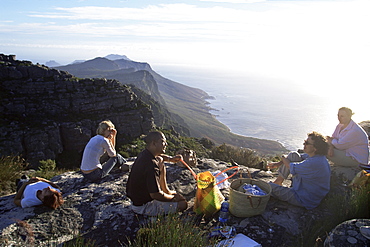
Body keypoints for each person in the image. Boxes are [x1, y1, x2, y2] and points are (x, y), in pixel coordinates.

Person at [126, 131, 188, 216]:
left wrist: (171, 159)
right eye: (163, 141)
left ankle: (166, 190)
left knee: (160, 161)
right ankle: (166, 193)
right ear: (154, 143)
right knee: (183, 204)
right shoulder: (151, 165)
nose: (166, 144)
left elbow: (160, 157)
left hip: (137, 200)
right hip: (144, 206)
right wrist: (173, 199)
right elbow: (155, 195)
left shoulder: (145, 154)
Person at [267, 132, 331, 210]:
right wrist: (279, 163)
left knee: (267, 186)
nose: (304, 144)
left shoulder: (314, 162)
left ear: (315, 148)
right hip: (306, 191)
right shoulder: (318, 157)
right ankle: (278, 181)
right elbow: (291, 157)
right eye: (305, 141)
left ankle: (277, 186)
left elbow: (290, 166)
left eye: (307, 143)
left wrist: (282, 158)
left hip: (304, 199)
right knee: (293, 155)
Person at [326, 107, 369, 180]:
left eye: (342, 116)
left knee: (322, 149)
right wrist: (330, 146)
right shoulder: (340, 125)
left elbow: (339, 145)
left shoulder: (354, 130)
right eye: (338, 115)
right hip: (346, 153)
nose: (339, 118)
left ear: (349, 116)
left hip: (356, 160)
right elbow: (332, 139)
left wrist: (331, 143)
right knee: (324, 146)